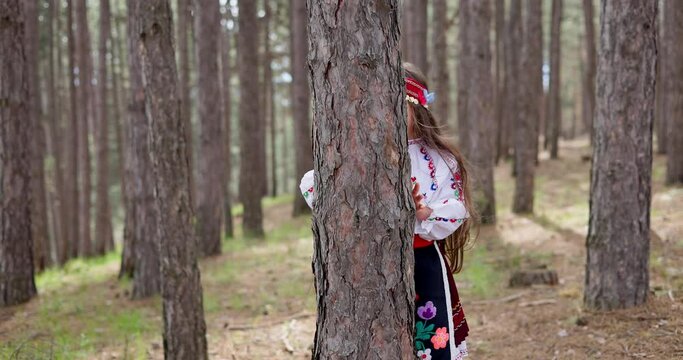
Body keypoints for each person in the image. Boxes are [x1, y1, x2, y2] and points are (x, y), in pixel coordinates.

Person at [299, 63, 475, 360]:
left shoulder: (440, 160)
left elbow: (457, 208)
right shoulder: (359, 150)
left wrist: (424, 211)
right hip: (367, 264)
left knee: (430, 344)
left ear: (417, 108)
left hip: (423, 264)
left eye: (397, 104)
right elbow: (313, 184)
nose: (387, 114)